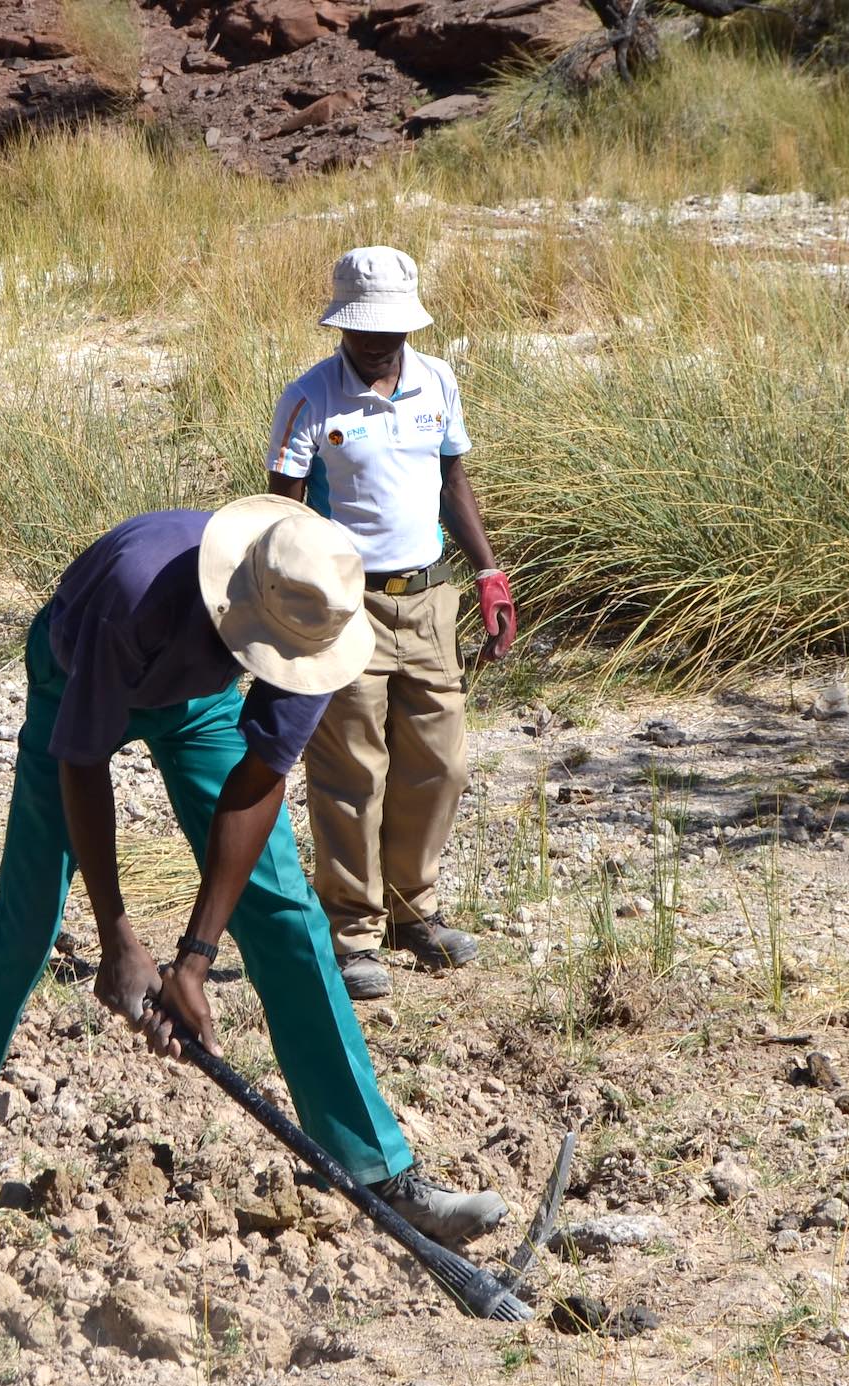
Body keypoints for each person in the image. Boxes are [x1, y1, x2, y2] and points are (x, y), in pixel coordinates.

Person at [0, 496, 508, 1245]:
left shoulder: (319, 611)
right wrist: (117, 938)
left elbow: (257, 778)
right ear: (242, 603)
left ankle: (380, 1172)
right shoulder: (134, 594)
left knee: (285, 913)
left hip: (199, 695)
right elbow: (83, 760)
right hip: (76, 674)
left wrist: (196, 956)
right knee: (23, 928)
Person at [264, 245, 517, 1000]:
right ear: (341, 323)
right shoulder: (310, 399)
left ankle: (415, 908)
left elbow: (451, 479)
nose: (378, 344)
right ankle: (352, 929)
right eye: (364, 331)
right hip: (349, 605)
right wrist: (288, 612)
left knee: (441, 760)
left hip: (431, 599)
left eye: (391, 331)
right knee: (351, 770)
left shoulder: (437, 379)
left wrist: (487, 570)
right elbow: (281, 509)